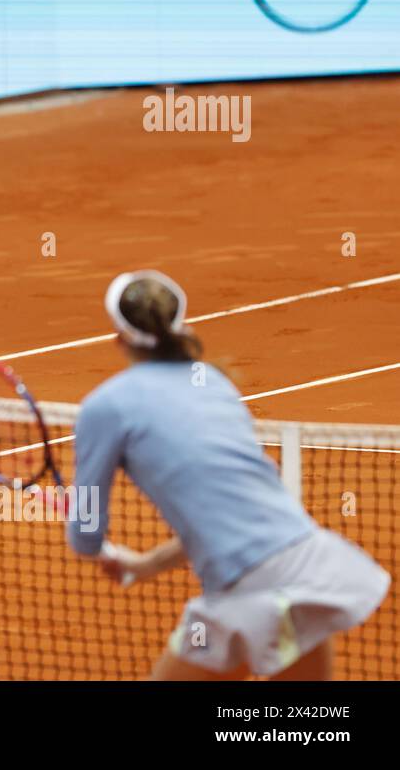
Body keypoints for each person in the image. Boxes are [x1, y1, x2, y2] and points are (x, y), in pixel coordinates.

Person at [69, 269, 390, 679]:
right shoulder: (215, 384)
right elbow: (237, 515)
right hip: (307, 563)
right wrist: (148, 564)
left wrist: (98, 547)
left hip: (246, 596)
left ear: (118, 338)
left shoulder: (105, 407)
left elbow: (85, 532)